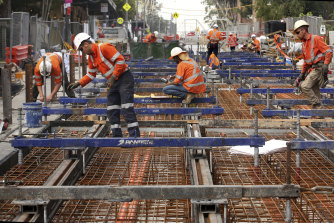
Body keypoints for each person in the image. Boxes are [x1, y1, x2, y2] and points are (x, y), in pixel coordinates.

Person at [68, 33, 140, 137]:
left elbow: (120, 60)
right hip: (113, 82)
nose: (81, 52)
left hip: (124, 78)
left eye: (81, 49)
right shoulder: (91, 58)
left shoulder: (104, 48)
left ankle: (135, 136)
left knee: (126, 108)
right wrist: (79, 83)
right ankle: (117, 136)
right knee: (112, 109)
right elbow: (91, 74)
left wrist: (113, 76)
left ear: (86, 44)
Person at [293, 20, 333, 109]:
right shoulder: (304, 44)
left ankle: (318, 105)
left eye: (298, 32)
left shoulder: (316, 39)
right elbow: (306, 63)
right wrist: (301, 75)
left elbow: (329, 52)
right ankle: (319, 114)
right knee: (315, 92)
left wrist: (326, 64)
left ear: (303, 30)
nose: (297, 34)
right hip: (312, 70)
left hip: (319, 69)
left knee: (304, 86)